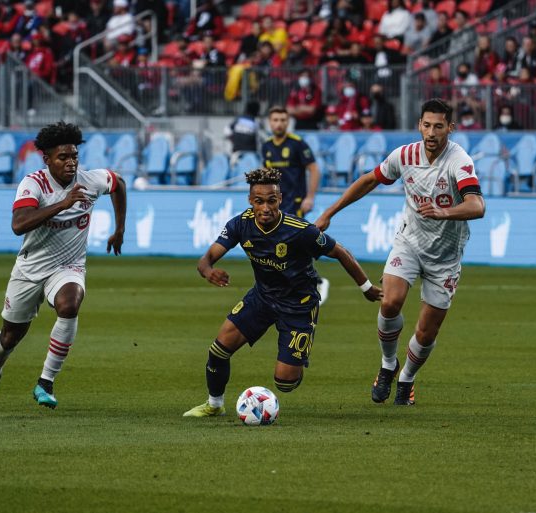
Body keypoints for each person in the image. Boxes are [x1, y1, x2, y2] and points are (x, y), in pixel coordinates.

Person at [315, 98, 485, 405]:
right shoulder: (404, 155)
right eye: (427, 125)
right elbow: (368, 181)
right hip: (409, 243)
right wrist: (330, 212)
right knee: (390, 302)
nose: (432, 132)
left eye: (439, 126)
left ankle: (407, 378)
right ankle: (387, 365)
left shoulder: (460, 161)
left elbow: (477, 205)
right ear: (419, 125)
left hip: (446, 256)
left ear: (451, 128)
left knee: (427, 332)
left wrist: (443, 213)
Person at [182, 168, 382, 417]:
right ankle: (214, 404)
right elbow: (206, 259)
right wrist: (208, 271)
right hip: (262, 298)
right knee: (218, 350)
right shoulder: (240, 224)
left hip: (299, 305)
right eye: (259, 201)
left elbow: (340, 252)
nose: (265, 207)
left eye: (271, 201)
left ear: (280, 200)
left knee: (285, 383)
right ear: (250, 201)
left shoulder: (300, 231)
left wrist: (366, 287)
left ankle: (297, 355)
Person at [0, 122, 127, 412]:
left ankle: (46, 382)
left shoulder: (91, 180)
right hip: (30, 269)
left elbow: (118, 184)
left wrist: (120, 229)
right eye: (62, 158)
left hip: (68, 266)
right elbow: (18, 225)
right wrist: (63, 203)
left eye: (74, 156)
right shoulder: (33, 184)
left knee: (70, 304)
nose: (70, 163)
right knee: (10, 337)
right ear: (47, 159)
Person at [261, 106, 329, 303]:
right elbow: (267, 176)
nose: (279, 123)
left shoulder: (298, 144)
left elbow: (314, 170)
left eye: (283, 120)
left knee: (289, 244)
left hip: (295, 203)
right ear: (269, 122)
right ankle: (290, 284)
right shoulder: (266, 146)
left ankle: (316, 280)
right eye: (275, 120)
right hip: (274, 205)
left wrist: (310, 197)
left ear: (288, 122)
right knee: (278, 245)